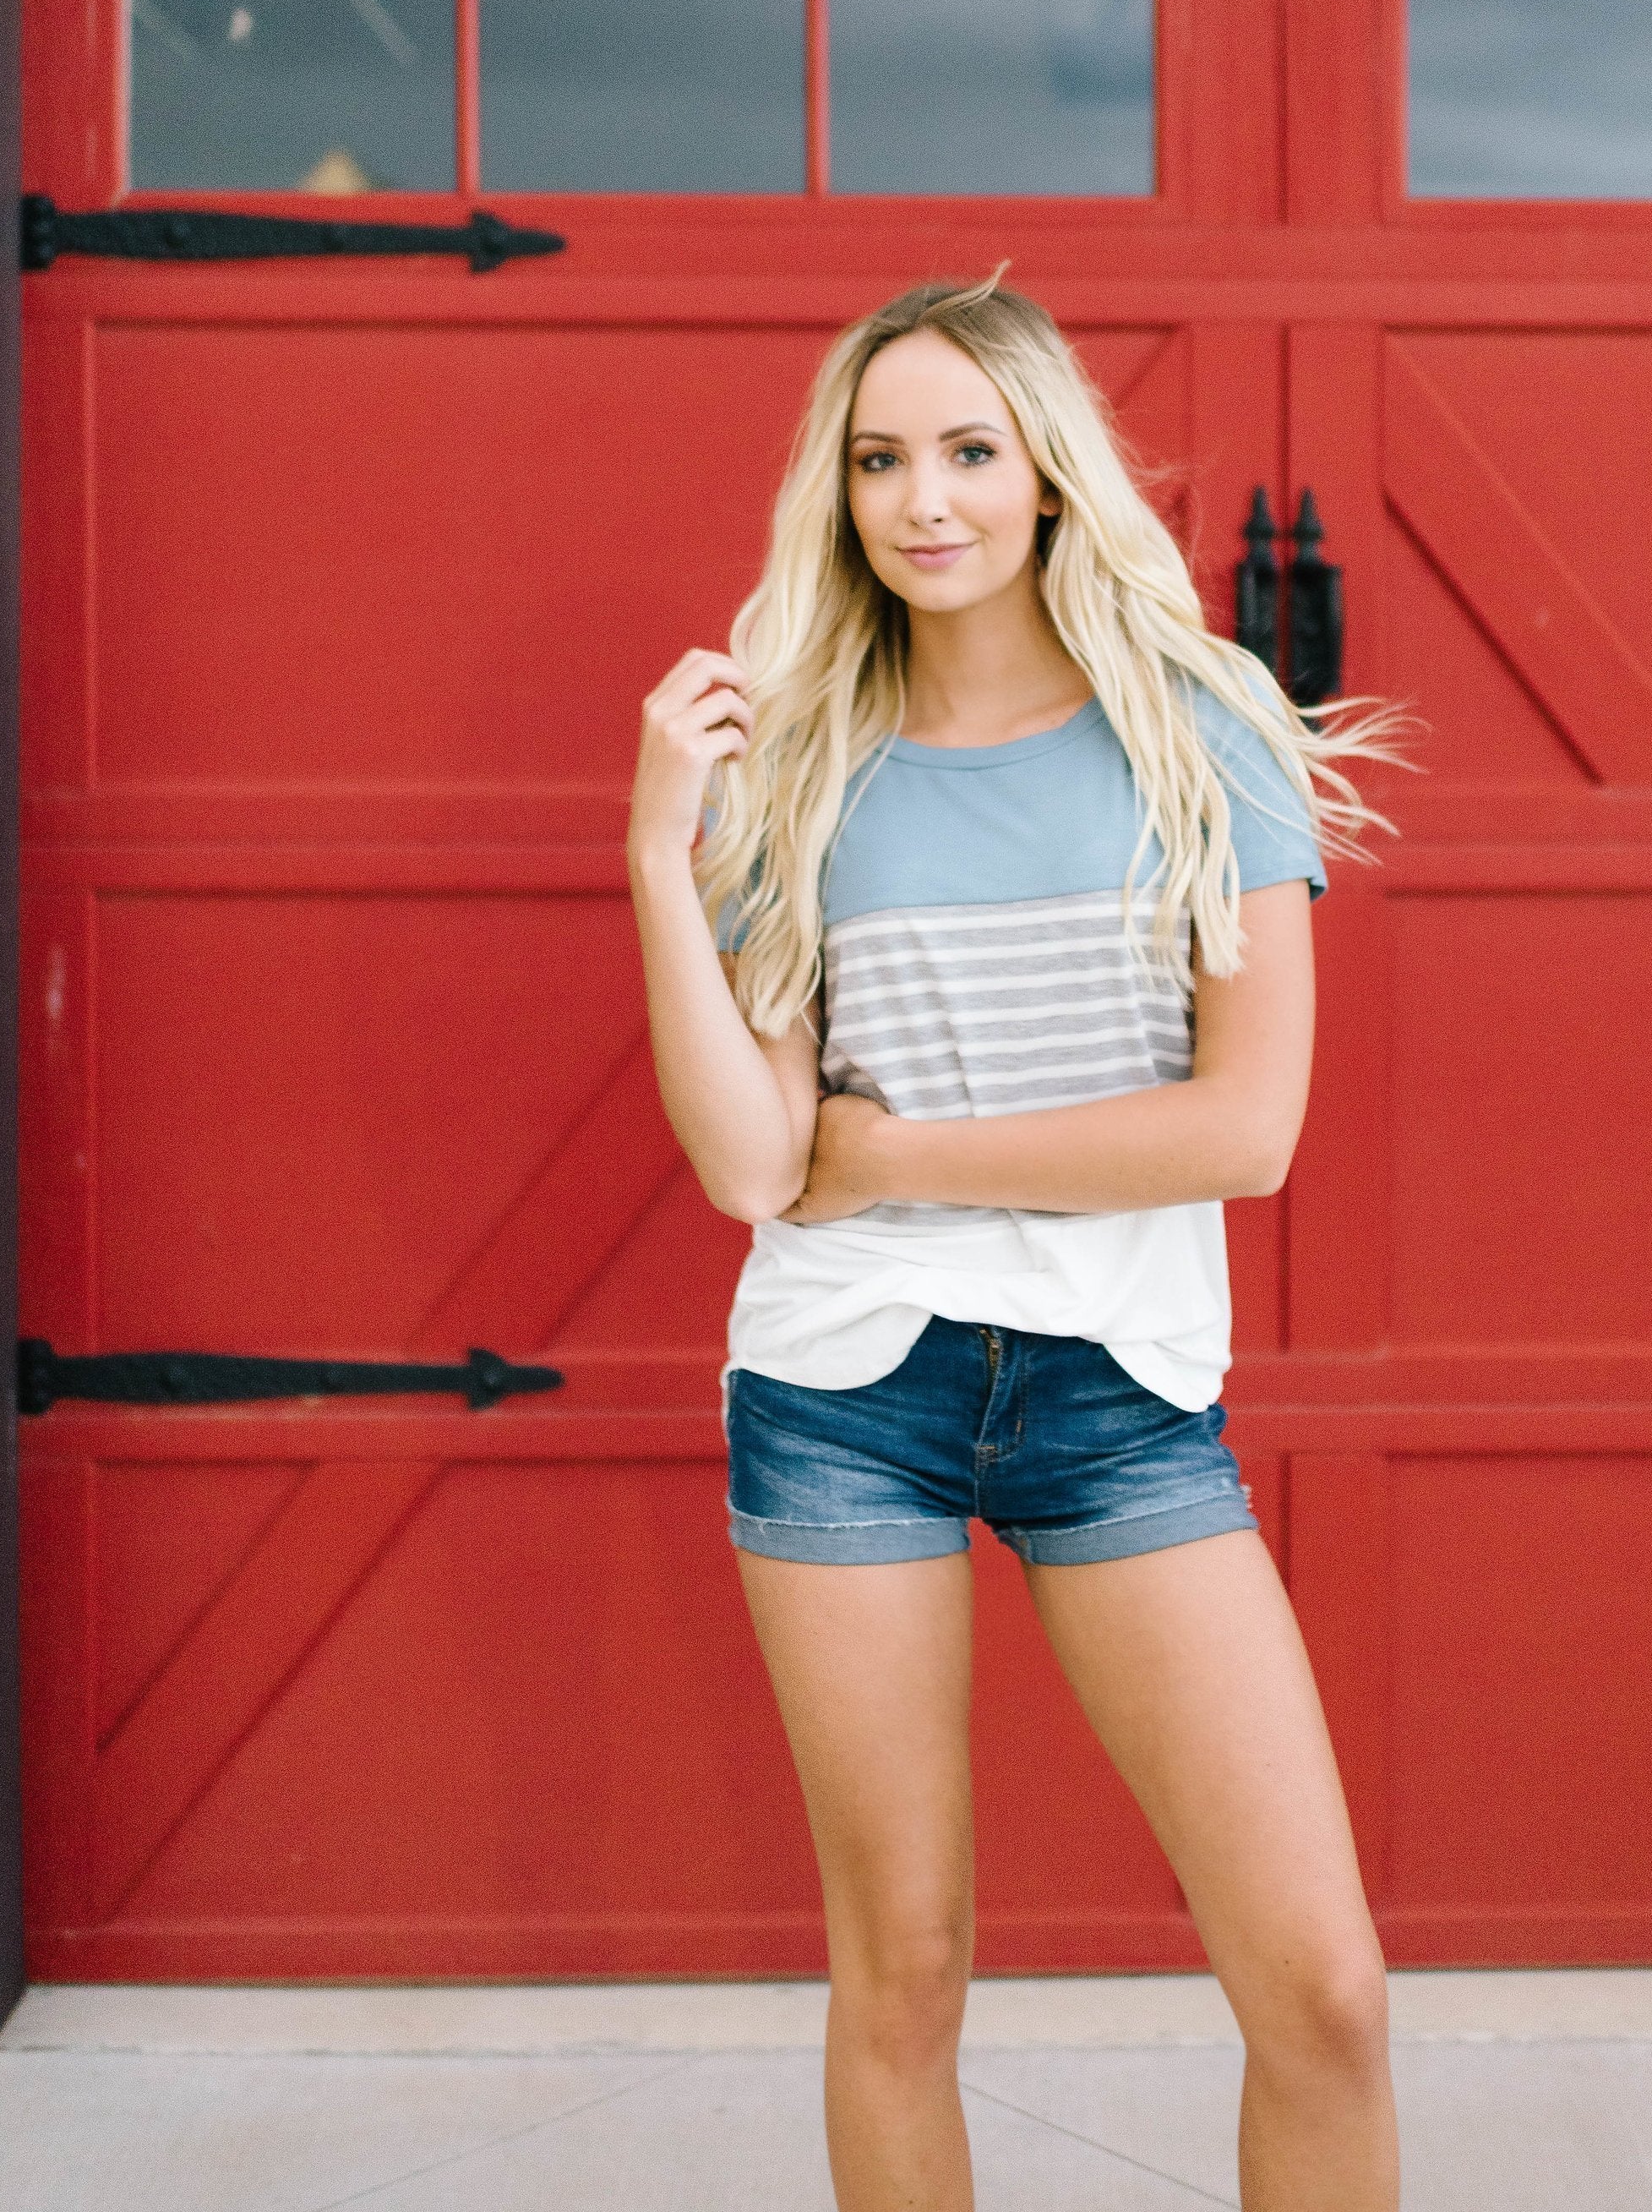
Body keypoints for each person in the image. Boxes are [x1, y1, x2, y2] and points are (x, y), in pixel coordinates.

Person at [627, 274, 1404, 2212]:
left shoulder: (1200, 730)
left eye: (969, 451)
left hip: (1114, 1400)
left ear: (1048, 472)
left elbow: (1245, 1129)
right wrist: (656, 850)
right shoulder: (800, 763)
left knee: (1323, 1993)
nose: (925, 500)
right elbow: (753, 1166)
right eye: (880, 459)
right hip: (844, 1395)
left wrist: (902, 1158)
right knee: (901, 1977)